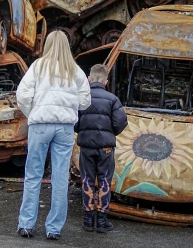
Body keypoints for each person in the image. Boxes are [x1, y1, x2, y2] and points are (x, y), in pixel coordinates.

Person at [16, 31, 91, 240]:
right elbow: (85, 101)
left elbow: (22, 95)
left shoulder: (38, 67)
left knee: (33, 174)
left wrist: (33, 113)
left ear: (47, 45)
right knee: (60, 178)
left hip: (40, 125)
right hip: (65, 128)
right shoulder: (74, 70)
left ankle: (26, 224)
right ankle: (54, 228)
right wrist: (70, 107)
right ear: (67, 45)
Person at [75, 64, 128, 233]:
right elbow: (120, 122)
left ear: (89, 79)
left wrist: (82, 131)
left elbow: (75, 122)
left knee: (87, 181)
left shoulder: (82, 99)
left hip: (86, 147)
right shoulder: (113, 99)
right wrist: (110, 134)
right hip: (105, 147)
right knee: (104, 181)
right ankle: (103, 221)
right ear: (105, 81)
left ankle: (88, 220)